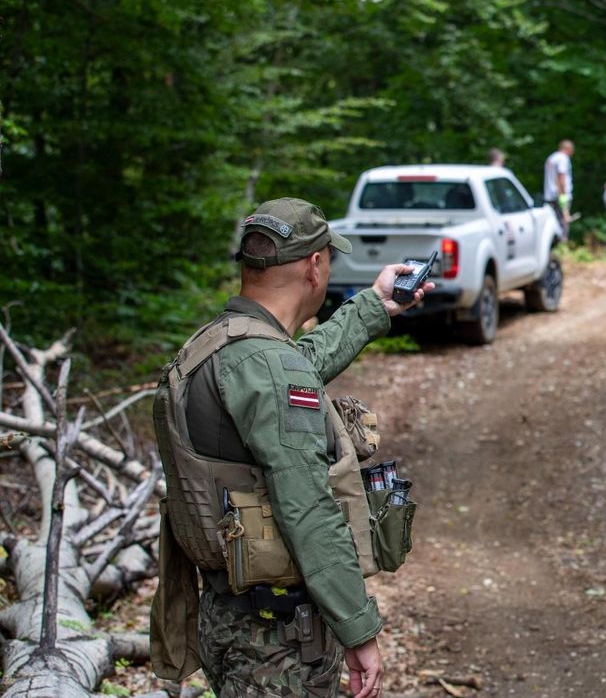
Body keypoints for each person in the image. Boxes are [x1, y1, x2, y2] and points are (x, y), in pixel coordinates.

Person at [150, 198, 432, 698]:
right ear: (314, 265)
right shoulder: (268, 366)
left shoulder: (217, 345)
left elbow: (296, 362)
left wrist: (375, 304)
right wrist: (358, 630)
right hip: (277, 639)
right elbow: (307, 508)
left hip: (228, 617)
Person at [543, 139, 575, 234]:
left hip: (549, 195)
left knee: (553, 223)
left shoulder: (551, 158)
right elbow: (561, 177)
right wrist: (563, 196)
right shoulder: (563, 158)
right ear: (567, 149)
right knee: (564, 222)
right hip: (561, 195)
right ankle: (562, 244)